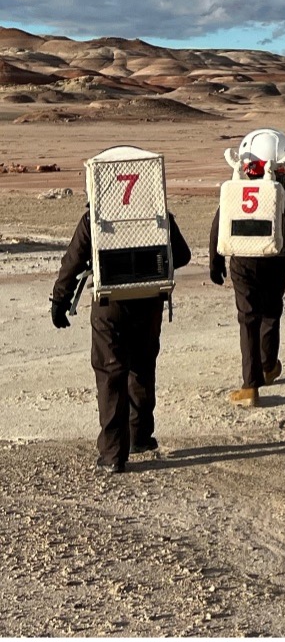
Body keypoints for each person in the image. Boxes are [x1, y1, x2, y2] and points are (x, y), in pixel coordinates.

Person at [50, 203, 191, 474]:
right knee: (142, 366)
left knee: (110, 373)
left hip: (109, 305)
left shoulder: (94, 216)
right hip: (148, 300)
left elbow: (74, 259)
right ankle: (139, 437)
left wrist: (60, 299)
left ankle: (114, 454)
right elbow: (183, 254)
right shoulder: (156, 212)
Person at [208, 128, 285, 408]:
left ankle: (250, 386)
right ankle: (267, 367)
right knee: (271, 314)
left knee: (248, 320)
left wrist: (215, 262)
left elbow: (220, 224)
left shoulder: (237, 185)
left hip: (242, 261)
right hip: (275, 260)